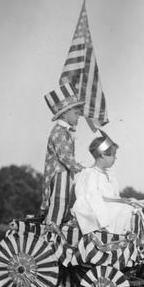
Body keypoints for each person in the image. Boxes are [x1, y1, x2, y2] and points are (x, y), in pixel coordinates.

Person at [71, 134, 135, 235]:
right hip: (94, 208)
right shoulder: (90, 173)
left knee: (134, 207)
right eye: (113, 155)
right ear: (102, 154)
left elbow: (115, 196)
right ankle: (114, 236)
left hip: (109, 206)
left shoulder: (110, 175)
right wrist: (119, 201)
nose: (115, 158)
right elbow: (93, 198)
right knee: (126, 209)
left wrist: (122, 201)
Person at [40, 83, 85, 225]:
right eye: (77, 113)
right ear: (65, 113)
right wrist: (80, 168)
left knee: (65, 202)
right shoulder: (59, 132)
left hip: (65, 174)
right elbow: (65, 157)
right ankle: (51, 233)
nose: (79, 117)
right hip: (59, 174)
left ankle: (56, 230)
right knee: (58, 202)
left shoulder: (65, 132)